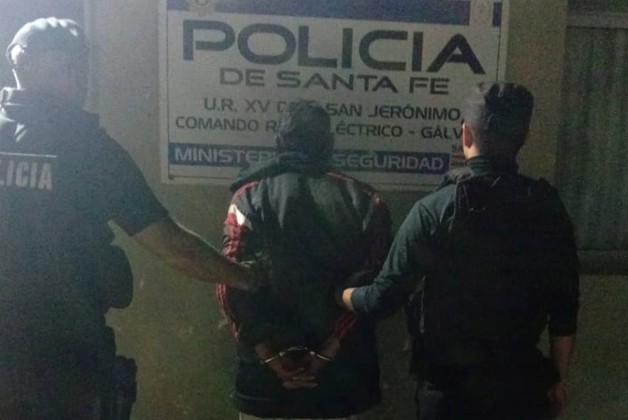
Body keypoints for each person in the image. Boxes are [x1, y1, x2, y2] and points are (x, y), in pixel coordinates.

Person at [0, 17, 261, 419]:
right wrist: (246, 277)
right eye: (65, 65)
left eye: (81, 65)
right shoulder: (88, 147)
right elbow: (172, 246)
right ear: (25, 64)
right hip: (67, 356)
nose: (80, 78)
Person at [340, 82, 580, 420]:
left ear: (466, 134)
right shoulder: (548, 207)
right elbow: (565, 306)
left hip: (450, 396)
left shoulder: (435, 209)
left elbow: (384, 298)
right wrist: (557, 378)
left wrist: (343, 294)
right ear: (524, 138)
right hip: (522, 390)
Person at [216, 100, 392, 419]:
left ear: (278, 144)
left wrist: (269, 355)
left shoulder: (248, 197)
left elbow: (229, 282)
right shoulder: (367, 201)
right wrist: (326, 352)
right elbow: (373, 288)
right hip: (342, 381)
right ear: (330, 144)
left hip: (266, 383)